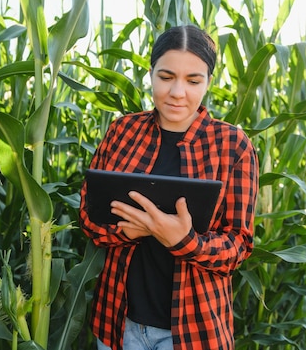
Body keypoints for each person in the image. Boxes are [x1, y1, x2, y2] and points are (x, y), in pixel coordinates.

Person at [79, 25, 259, 350]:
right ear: (150, 74)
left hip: (193, 334)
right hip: (118, 325)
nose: (178, 92)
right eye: (166, 77)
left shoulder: (233, 146)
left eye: (193, 81)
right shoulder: (122, 132)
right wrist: (131, 231)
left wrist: (183, 241)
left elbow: (238, 246)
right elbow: (89, 217)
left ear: (208, 82)